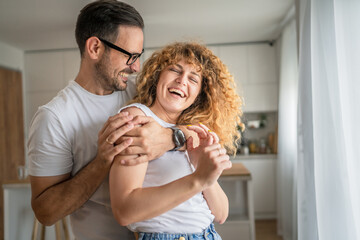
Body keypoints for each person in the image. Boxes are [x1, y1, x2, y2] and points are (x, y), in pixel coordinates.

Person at [27, 1, 186, 239]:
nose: (136, 67)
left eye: (139, 56)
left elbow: (194, 128)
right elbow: (46, 212)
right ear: (94, 48)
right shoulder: (55, 117)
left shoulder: (141, 93)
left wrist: (169, 137)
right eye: (130, 56)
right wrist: (102, 161)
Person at [109, 42, 243, 240]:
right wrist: (197, 179)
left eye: (193, 79)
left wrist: (201, 170)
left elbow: (221, 214)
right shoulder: (137, 118)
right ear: (157, 76)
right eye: (174, 70)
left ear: (199, 94)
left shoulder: (196, 131)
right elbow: (125, 211)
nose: (182, 81)